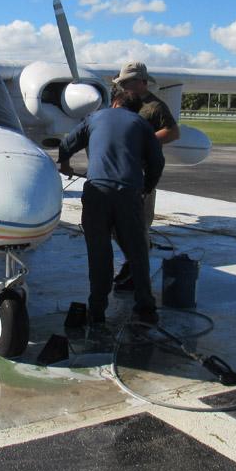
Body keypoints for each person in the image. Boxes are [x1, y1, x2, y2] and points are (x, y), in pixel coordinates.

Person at [58, 88, 165, 325]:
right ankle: (146, 308)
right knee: (137, 252)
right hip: (129, 194)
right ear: (136, 109)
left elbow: (67, 143)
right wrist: (146, 187)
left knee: (100, 253)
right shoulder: (142, 125)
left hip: (97, 194)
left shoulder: (96, 117)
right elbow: (157, 161)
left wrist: (65, 165)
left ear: (115, 103)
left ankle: (96, 310)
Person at [110, 61, 180, 291]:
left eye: (126, 82)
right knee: (116, 225)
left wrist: (144, 141)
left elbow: (172, 131)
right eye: (121, 83)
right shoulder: (127, 103)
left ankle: (136, 275)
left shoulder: (154, 106)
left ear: (141, 81)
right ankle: (132, 263)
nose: (123, 86)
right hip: (121, 172)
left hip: (141, 174)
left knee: (139, 225)